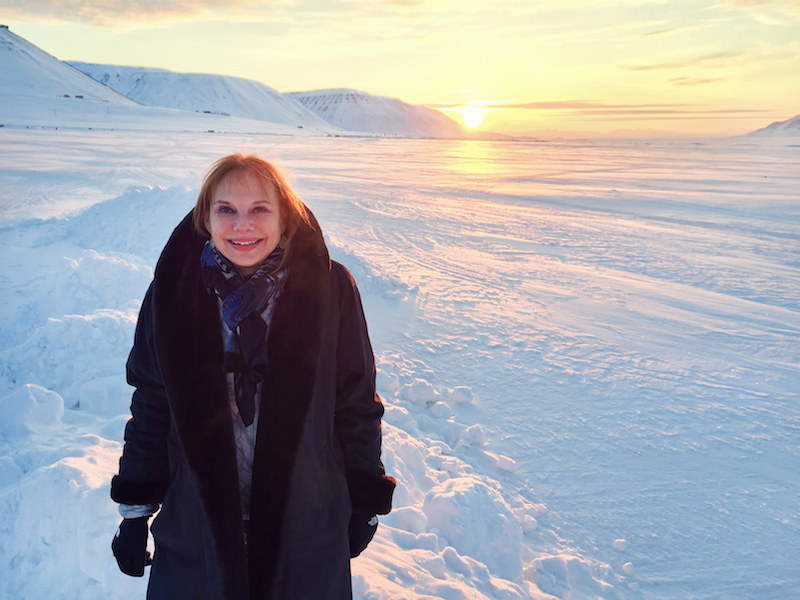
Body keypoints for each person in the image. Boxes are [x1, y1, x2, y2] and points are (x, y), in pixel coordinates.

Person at [109, 154, 396, 599]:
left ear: (285, 216)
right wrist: (135, 509)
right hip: (196, 522)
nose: (242, 225)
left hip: (305, 521)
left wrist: (365, 500)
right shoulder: (172, 292)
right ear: (206, 218)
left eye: (260, 209)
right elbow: (151, 402)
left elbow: (355, 402)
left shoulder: (330, 289)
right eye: (226, 209)